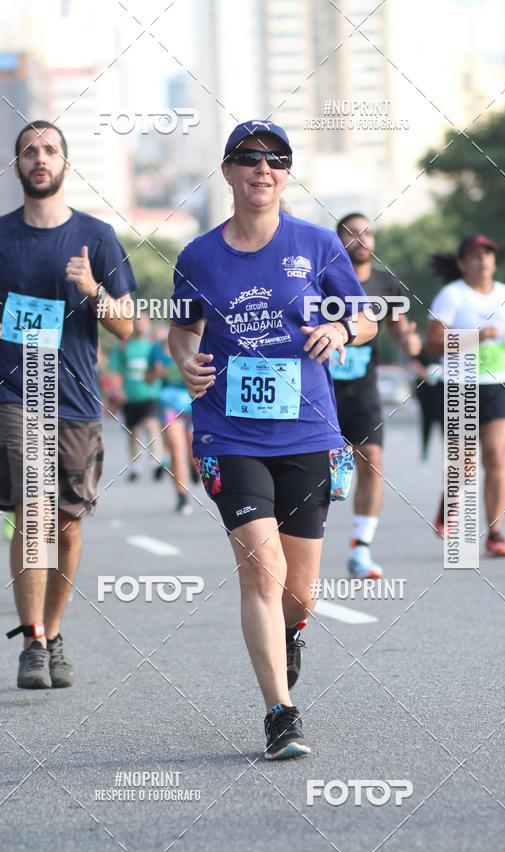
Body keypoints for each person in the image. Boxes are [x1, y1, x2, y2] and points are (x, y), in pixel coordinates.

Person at [168, 120, 377, 759]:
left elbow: (367, 318)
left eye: (276, 160)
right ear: (228, 172)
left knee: (298, 591)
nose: (263, 169)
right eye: (249, 159)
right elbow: (180, 330)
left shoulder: (317, 246)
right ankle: (279, 712)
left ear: (286, 174)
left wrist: (342, 334)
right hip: (229, 432)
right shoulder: (199, 255)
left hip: (308, 430)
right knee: (262, 568)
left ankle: (291, 634)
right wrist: (185, 360)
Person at [0, 120, 136, 689]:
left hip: (76, 397)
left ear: (65, 162)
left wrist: (93, 291)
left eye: (50, 150)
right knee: (34, 510)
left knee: (65, 526)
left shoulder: (98, 236)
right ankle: (33, 640)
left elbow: (129, 327)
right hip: (15, 388)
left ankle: (53, 632)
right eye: (29, 151)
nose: (40, 158)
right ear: (17, 166)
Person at [426, 234, 505, 557]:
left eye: (488, 254)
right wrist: (475, 337)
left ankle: (496, 533)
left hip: (501, 382)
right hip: (461, 385)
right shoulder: (451, 296)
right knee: (466, 463)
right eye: (475, 256)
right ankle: (449, 502)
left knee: (496, 456)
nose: (483, 260)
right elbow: (433, 344)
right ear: (462, 263)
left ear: (494, 261)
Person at [332, 212, 422, 578]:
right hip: (320, 389)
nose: (361, 239)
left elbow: (401, 332)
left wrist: (411, 341)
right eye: (352, 234)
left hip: (362, 390)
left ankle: (360, 548)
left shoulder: (387, 284)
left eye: (367, 233)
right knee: (317, 475)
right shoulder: (324, 279)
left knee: (371, 460)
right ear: (339, 241)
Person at [108, 316, 164, 481]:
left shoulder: (153, 346)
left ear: (148, 325)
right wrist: (117, 390)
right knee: (133, 432)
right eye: (137, 322)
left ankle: (157, 462)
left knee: (151, 425)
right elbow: (114, 369)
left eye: (143, 322)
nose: (140, 325)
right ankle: (135, 466)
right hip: (130, 395)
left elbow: (161, 366)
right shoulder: (124, 346)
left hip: (149, 394)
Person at [146, 334, 195, 515]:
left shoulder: (194, 343)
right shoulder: (156, 350)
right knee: (176, 448)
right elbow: (147, 378)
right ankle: (182, 496)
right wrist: (154, 373)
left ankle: (194, 467)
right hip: (169, 405)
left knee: (193, 450)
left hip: (192, 404)